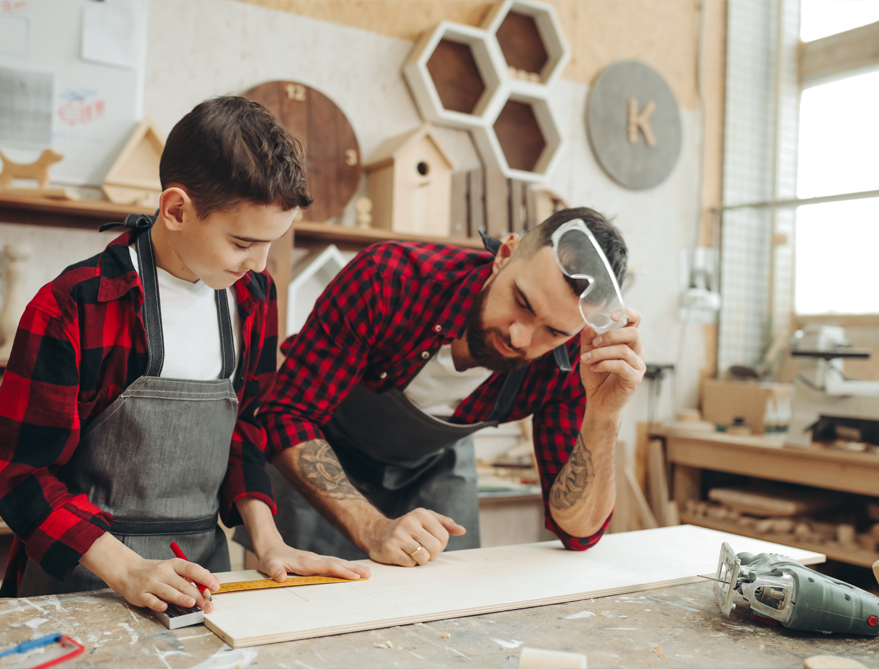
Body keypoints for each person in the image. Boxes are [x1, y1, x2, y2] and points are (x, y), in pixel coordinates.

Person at [0, 96, 369, 615]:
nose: (259, 263)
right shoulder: (76, 305)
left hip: (201, 574)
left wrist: (267, 539)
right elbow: (18, 473)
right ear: (176, 209)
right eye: (242, 242)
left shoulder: (253, 297)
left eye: (270, 245)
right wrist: (127, 570)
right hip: (83, 580)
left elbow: (243, 432)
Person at [235, 207, 646, 565]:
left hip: (435, 469)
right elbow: (287, 412)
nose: (522, 338)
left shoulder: (574, 362)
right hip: (319, 446)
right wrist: (372, 527)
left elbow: (577, 532)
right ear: (504, 255)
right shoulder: (389, 278)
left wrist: (605, 414)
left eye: (553, 332)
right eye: (522, 302)